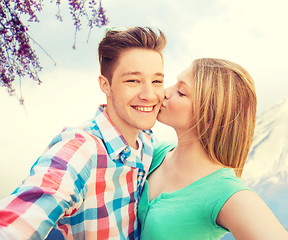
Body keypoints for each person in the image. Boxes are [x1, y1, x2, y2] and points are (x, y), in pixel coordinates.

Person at [0, 27, 166, 239]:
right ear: (105, 85)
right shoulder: (81, 147)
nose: (149, 94)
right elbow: (35, 203)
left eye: (157, 81)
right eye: (133, 80)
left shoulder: (148, 143)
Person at [138, 58, 288, 239]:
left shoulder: (224, 192)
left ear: (210, 113)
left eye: (181, 92)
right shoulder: (155, 153)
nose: (164, 93)